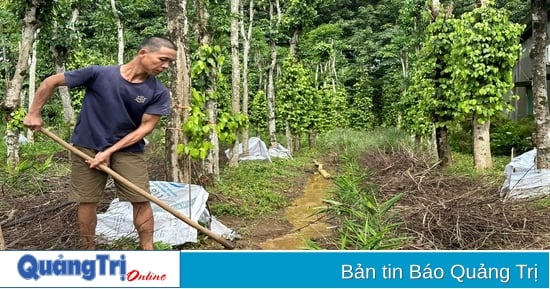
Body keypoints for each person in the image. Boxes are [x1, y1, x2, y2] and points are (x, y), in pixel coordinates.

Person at [23, 36, 177, 250]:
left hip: (128, 150)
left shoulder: (158, 92)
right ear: (143, 53)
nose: (166, 66)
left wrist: (109, 152)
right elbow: (51, 81)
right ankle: (89, 251)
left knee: (141, 199)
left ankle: (148, 251)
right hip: (87, 144)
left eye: (170, 62)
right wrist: (33, 113)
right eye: (163, 59)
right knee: (87, 200)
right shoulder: (99, 74)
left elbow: (145, 128)